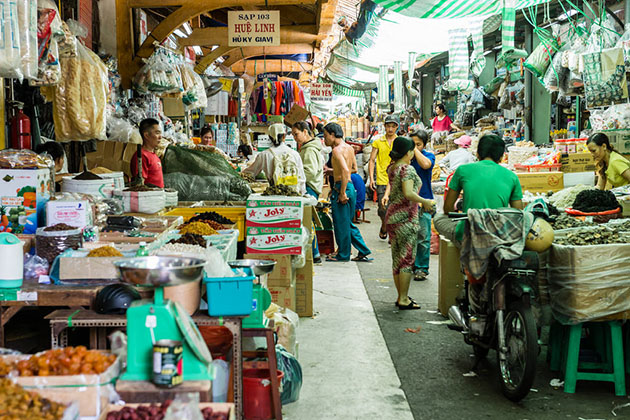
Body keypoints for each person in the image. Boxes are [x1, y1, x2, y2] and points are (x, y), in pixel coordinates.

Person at [433, 134, 523, 247]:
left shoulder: (462, 170)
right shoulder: (512, 176)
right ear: (501, 156)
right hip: (499, 234)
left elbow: (447, 208)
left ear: (477, 154)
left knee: (438, 218)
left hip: (468, 233)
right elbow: (517, 214)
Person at [381, 136, 435, 310]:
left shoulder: (392, 167)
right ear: (408, 152)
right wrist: (425, 201)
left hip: (392, 217)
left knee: (397, 258)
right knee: (406, 259)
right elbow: (408, 193)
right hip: (405, 217)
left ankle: (401, 295)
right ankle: (403, 298)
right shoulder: (408, 169)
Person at [323, 122, 372, 262]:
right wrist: (333, 171)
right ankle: (363, 250)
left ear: (333, 135)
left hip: (342, 187)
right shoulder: (349, 148)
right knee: (347, 223)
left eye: (326, 136)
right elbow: (354, 169)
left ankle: (343, 254)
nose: (325, 139)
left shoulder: (337, 150)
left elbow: (345, 170)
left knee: (341, 224)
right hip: (350, 187)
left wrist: (342, 192)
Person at [243, 123, 306, 195]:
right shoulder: (295, 154)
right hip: (293, 195)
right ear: (284, 136)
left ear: (269, 137)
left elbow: (250, 173)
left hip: (273, 194)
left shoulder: (264, 155)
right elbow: (302, 179)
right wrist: (302, 195)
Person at [293, 121, 324, 264]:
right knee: (308, 221)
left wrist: (294, 175)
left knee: (307, 222)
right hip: (312, 187)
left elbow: (309, 172)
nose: (295, 137)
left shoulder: (310, 150)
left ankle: (315, 254)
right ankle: (314, 253)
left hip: (310, 188)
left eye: (296, 134)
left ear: (305, 132)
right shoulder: (309, 147)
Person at [409, 130, 435, 281]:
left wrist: (414, 150)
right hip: (408, 202)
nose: (415, 147)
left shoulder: (428, 156)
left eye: (418, 144)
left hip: (424, 202)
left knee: (423, 237)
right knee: (410, 236)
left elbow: (426, 165)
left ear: (424, 145)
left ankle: (422, 268)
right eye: (413, 144)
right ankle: (411, 263)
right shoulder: (407, 158)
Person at [369, 114, 398, 240]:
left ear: (396, 127)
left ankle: (391, 233)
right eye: (388, 126)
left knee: (395, 208)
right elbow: (371, 160)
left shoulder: (399, 142)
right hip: (382, 178)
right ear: (385, 127)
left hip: (396, 179)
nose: (390, 129)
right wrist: (371, 178)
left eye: (393, 126)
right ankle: (384, 225)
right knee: (382, 208)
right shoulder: (378, 142)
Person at [131, 118, 164, 188]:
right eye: (157, 133)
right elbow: (140, 185)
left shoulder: (154, 155)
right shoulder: (142, 156)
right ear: (146, 135)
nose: (160, 137)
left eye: (160, 133)